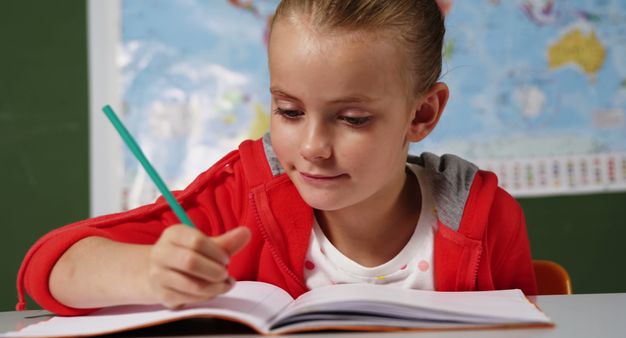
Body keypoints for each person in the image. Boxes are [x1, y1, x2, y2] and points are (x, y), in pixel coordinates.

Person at [16, 0, 537, 316]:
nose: (312, 146)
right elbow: (52, 267)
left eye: (353, 118)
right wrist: (149, 271)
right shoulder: (241, 195)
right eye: (289, 110)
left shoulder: (484, 218)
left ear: (422, 114)